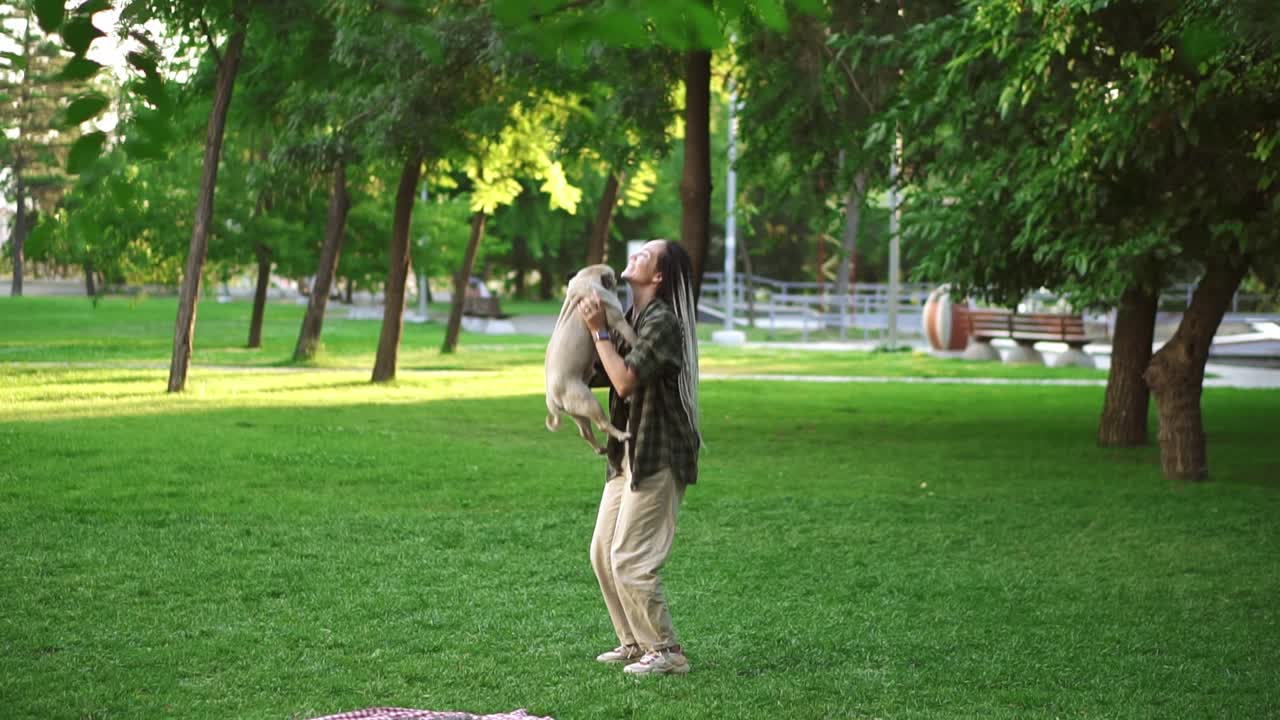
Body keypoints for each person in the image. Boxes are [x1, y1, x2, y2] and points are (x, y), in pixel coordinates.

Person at [577, 238, 702, 676]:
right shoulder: (630, 316)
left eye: (645, 255)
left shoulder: (663, 322)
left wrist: (598, 332)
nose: (635, 255)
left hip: (659, 451)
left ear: (659, 275)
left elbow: (625, 381)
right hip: (627, 450)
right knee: (602, 552)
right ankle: (634, 642)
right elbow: (599, 373)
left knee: (630, 557)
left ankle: (666, 652)